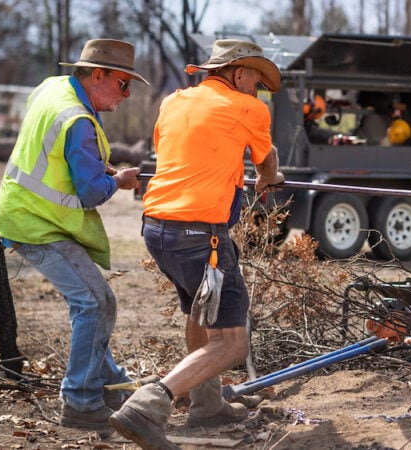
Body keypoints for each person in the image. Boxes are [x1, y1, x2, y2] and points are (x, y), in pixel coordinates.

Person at [109, 39, 284, 449]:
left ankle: (208, 404)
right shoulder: (247, 108)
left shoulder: (175, 101)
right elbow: (266, 159)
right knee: (231, 342)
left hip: (157, 228)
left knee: (200, 311)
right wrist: (269, 177)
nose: (258, 92)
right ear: (239, 74)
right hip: (199, 234)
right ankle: (150, 404)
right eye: (257, 82)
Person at [0, 39, 149, 432]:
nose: (126, 95)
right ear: (98, 75)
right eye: (123, 84)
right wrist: (120, 181)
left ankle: (109, 383)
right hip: (36, 224)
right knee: (95, 302)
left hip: (24, 214)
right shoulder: (78, 120)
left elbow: (56, 151)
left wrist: (98, 166)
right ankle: (79, 401)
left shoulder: (51, 88)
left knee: (95, 302)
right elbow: (91, 192)